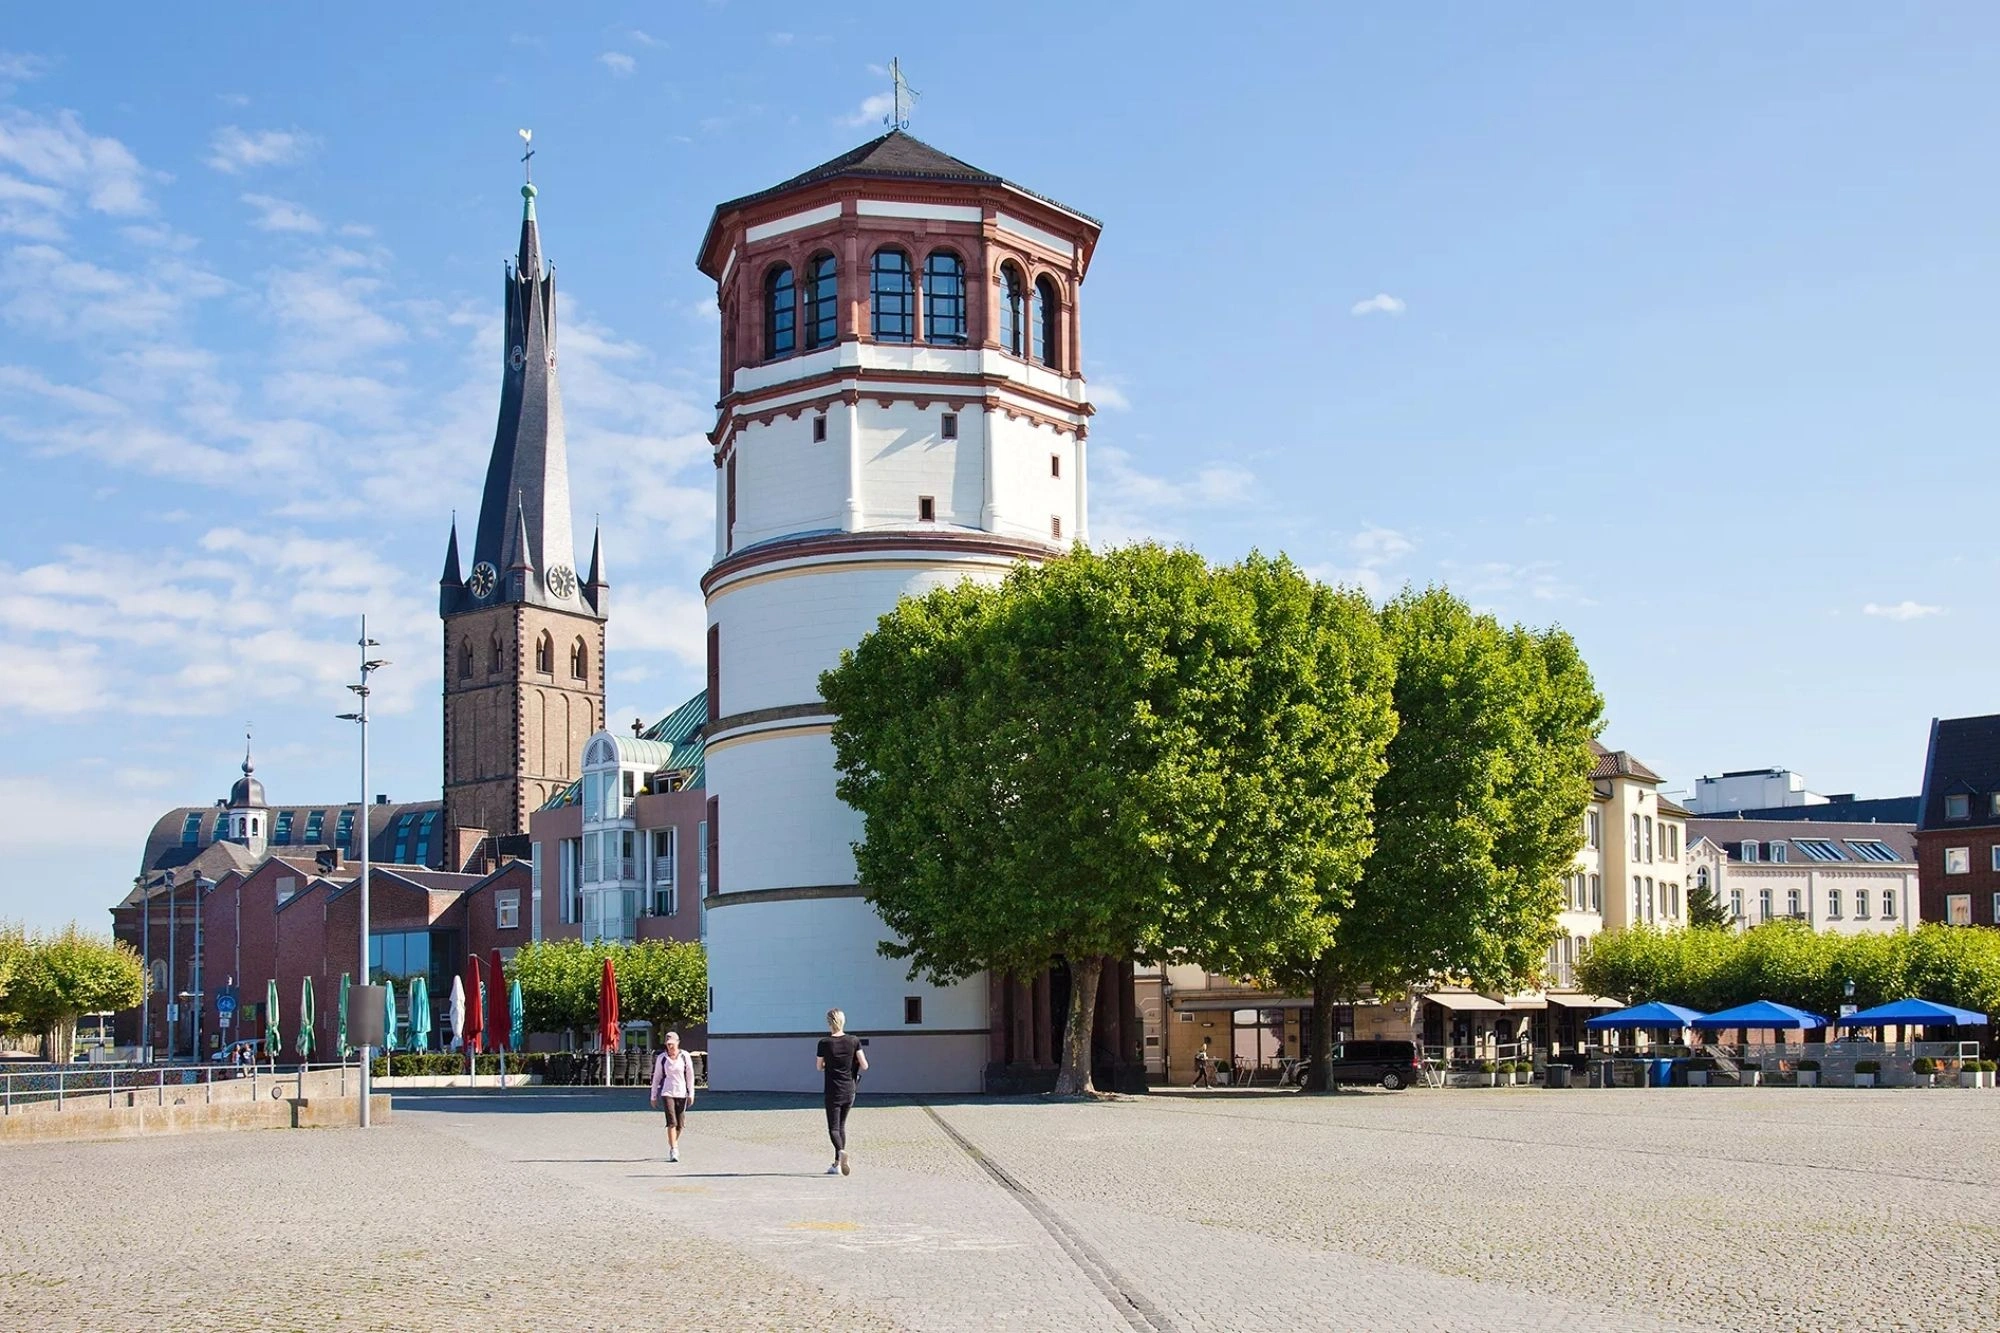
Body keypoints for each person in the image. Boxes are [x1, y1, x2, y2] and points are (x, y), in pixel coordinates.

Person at [815, 1007, 867, 1176]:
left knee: (833, 1128)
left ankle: (841, 1151)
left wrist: (828, 1065)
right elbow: (865, 1065)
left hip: (833, 1090)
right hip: (850, 1090)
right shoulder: (854, 1041)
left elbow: (818, 1066)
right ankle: (837, 1164)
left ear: (828, 1023)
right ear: (843, 1021)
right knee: (842, 1126)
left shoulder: (824, 1043)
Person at [648, 1030, 697, 1163]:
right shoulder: (662, 1058)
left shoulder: (685, 1056)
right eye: (668, 1044)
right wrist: (653, 1096)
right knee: (672, 1123)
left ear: (678, 1043)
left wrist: (691, 1093)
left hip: (681, 1092)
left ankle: (673, 1142)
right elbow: (657, 1077)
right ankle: (674, 1149)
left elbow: (690, 1076)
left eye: (672, 1044)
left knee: (680, 1125)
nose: (670, 1047)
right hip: (667, 1092)